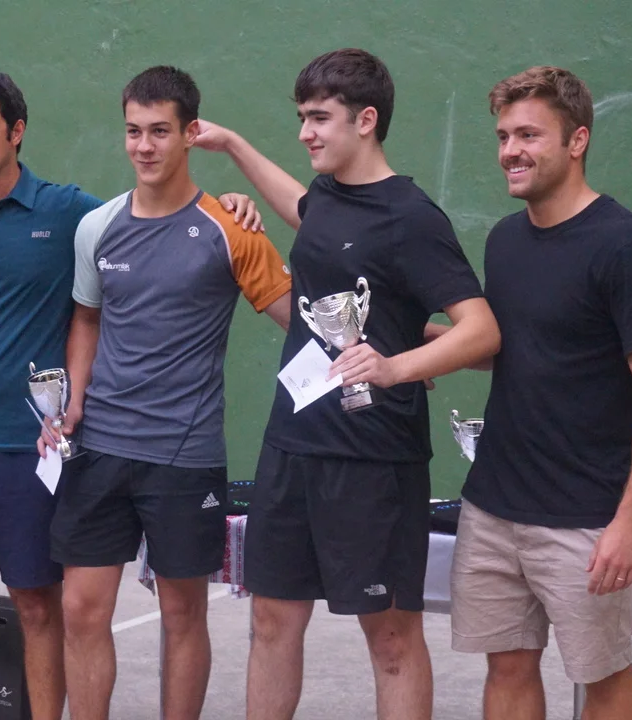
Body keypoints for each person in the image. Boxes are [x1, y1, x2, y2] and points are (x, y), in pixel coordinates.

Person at [0, 68, 261, 720]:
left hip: (36, 448)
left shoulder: (69, 213)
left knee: (38, 604)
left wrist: (228, 205)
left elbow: (154, 212)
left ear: (16, 132)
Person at [192, 48, 501, 720]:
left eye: (318, 118)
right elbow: (306, 212)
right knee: (271, 621)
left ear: (365, 120)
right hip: (292, 447)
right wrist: (234, 146)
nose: (305, 132)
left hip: (374, 461)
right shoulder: (329, 195)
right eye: (302, 118)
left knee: (390, 640)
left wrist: (395, 367)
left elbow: (480, 331)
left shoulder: (412, 217)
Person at [42, 65, 291, 720]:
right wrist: (72, 402)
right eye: (133, 131)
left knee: (182, 613)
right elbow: (87, 318)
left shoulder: (231, 227)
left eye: (159, 131)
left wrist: (400, 351)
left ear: (189, 134)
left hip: (185, 458)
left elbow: (297, 315)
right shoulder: (97, 227)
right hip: (99, 449)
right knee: (80, 608)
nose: (144, 146)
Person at [442, 66, 632, 720]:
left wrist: (630, 522)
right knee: (507, 667)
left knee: (603, 679)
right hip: (494, 505)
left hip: (587, 516)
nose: (510, 151)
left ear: (577, 140)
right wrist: (405, 341)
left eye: (529, 134)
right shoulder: (504, 240)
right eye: (503, 136)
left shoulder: (629, 249)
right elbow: (509, 349)